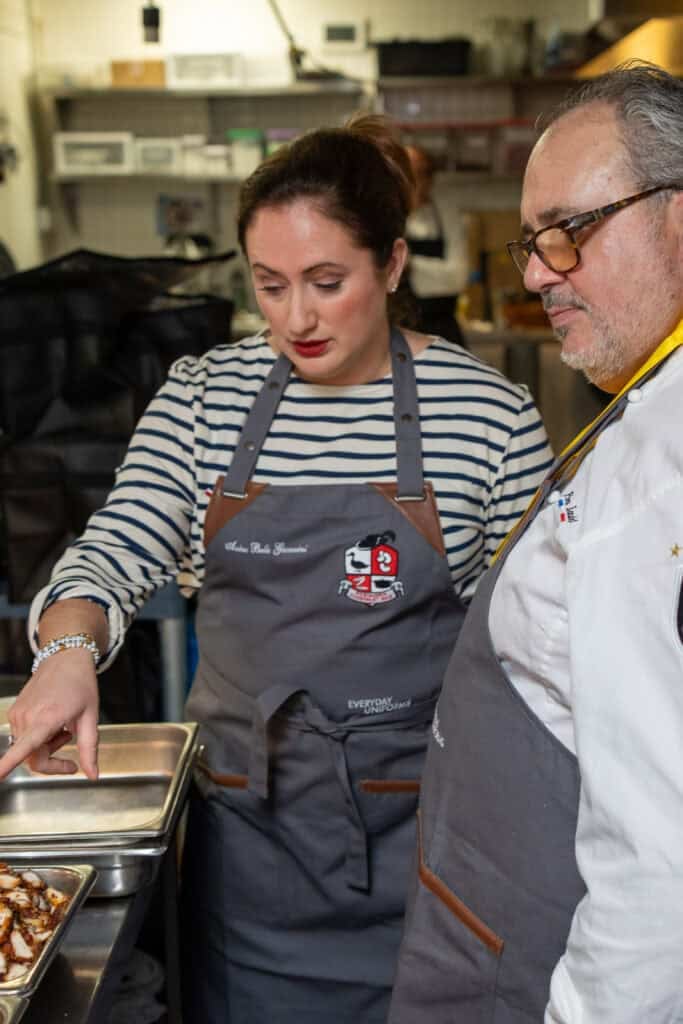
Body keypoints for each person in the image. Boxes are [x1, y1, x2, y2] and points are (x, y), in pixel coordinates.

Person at [0, 114, 552, 1022]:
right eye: (270, 285)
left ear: (392, 265)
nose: (295, 317)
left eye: (327, 282)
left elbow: (540, 636)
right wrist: (67, 650)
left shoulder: (485, 416)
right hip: (249, 841)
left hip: (436, 839)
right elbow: (117, 546)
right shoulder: (204, 397)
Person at [389, 61, 683, 1024]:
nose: (533, 270)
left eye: (570, 232)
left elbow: (661, 872)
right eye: (529, 241)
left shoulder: (654, 482)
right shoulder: (646, 400)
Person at [402, 143, 469, 346]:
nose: (413, 181)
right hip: (401, 331)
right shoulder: (388, 217)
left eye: (420, 173)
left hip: (444, 331)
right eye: (407, 173)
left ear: (430, 179)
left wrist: (411, 266)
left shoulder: (447, 214)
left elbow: (458, 278)